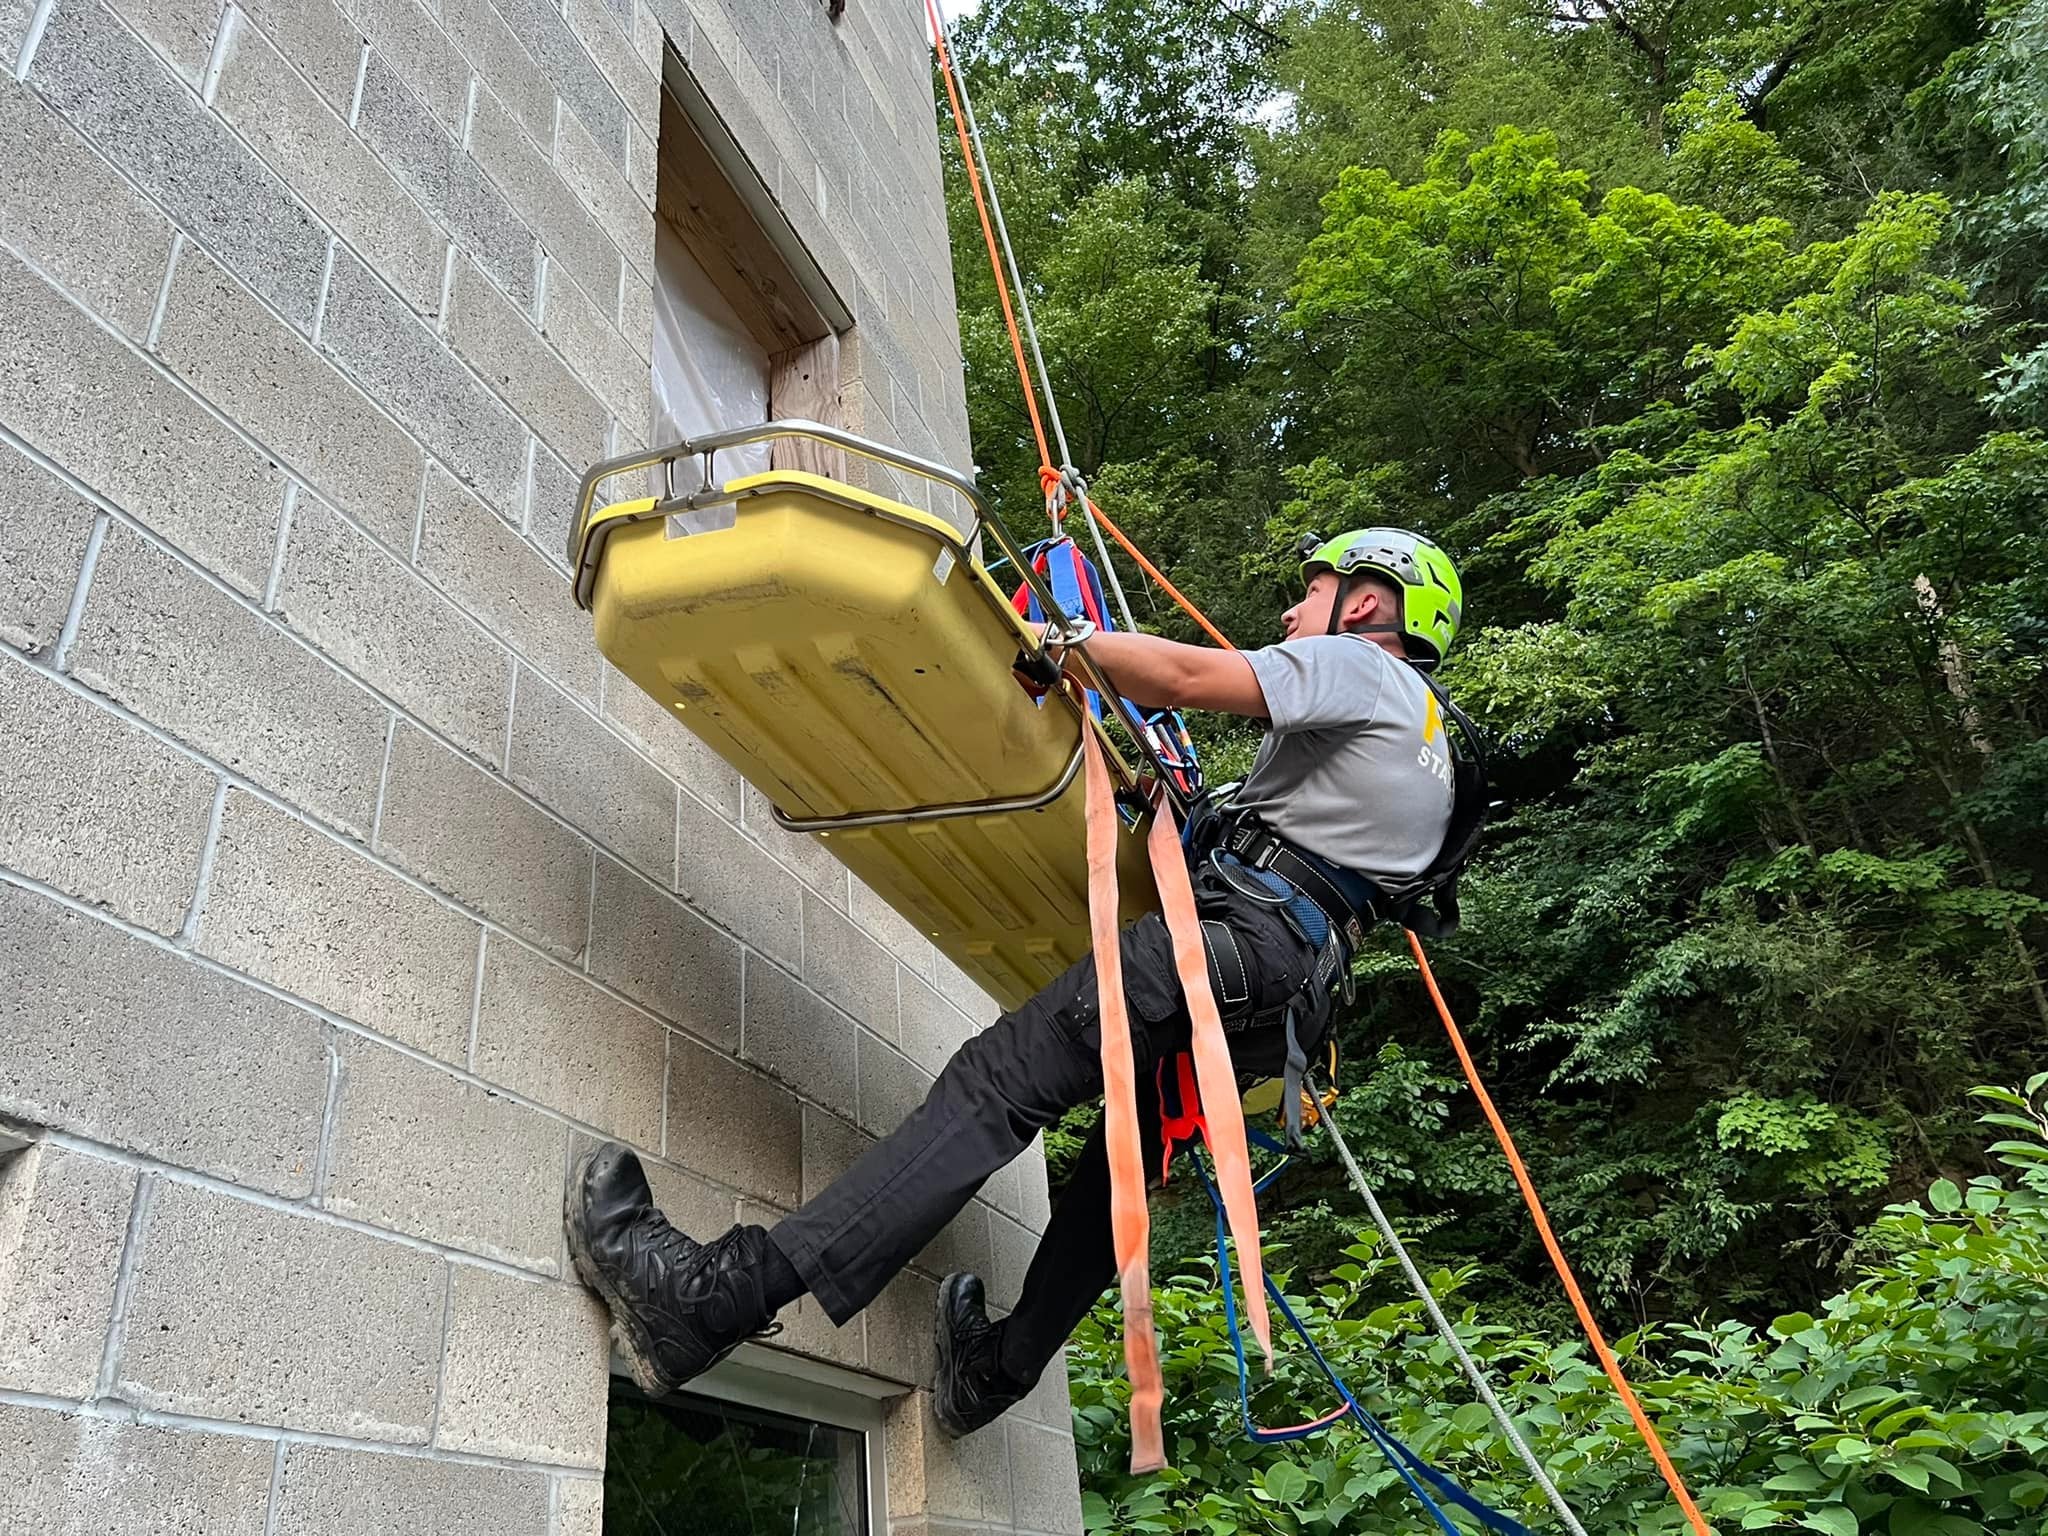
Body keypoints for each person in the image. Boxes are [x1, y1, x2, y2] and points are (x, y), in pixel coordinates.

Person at [565, 527, 1466, 1437]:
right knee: (1116, 1172)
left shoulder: (1363, 667)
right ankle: (995, 1372)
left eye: (1309, 594)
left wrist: (1060, 644)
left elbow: (1191, 680)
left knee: (995, 1087)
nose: (1290, 611)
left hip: (1236, 945)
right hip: (1281, 995)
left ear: (1362, 603)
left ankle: (711, 1302)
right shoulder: (1429, 735)